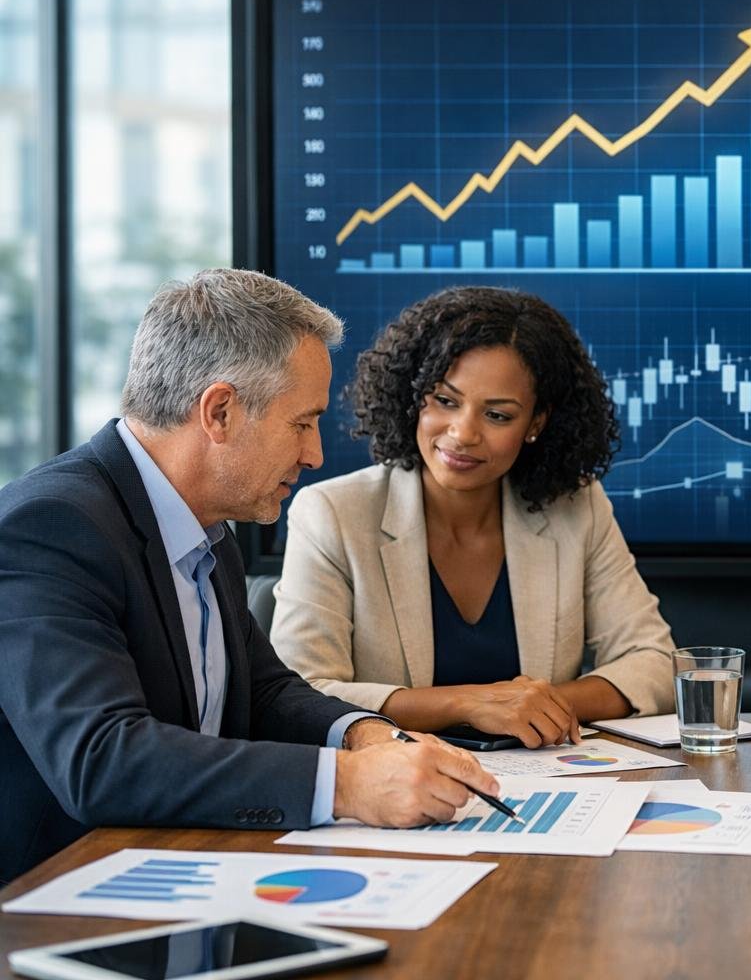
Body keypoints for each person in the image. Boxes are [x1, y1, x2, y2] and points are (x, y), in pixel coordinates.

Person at [0, 269, 500, 883]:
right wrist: (346, 785)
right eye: (301, 423)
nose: (314, 454)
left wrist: (366, 736)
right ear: (220, 412)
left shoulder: (206, 527)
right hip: (55, 905)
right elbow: (101, 760)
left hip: (184, 867)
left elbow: (262, 692)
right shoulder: (51, 525)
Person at [270, 286, 675, 749]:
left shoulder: (576, 508)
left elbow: (656, 661)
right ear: (414, 395)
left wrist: (535, 707)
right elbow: (301, 693)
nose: (462, 434)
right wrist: (470, 705)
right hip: (397, 789)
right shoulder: (333, 513)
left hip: (549, 786)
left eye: (498, 415)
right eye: (445, 401)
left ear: (536, 424)